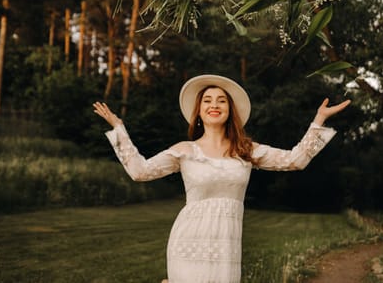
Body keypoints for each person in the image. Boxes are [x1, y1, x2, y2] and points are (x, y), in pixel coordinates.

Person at [93, 74, 350, 283]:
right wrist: (119, 129)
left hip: (226, 248)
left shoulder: (246, 150)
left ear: (230, 110)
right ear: (199, 110)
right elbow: (139, 171)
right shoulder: (185, 150)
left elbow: (296, 160)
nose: (214, 105)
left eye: (221, 101)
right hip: (187, 244)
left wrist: (319, 120)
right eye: (207, 100)